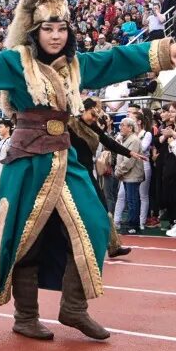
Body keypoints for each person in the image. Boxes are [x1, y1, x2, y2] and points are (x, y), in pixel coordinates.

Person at [0, 0, 176, 341]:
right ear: (34, 31)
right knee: (28, 236)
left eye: (61, 28)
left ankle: (73, 308)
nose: (56, 35)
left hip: (64, 156)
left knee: (94, 222)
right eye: (48, 29)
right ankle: (25, 316)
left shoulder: (77, 64)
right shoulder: (17, 61)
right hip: (27, 159)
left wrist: (164, 51)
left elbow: (114, 60)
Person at [67, 100, 134, 257]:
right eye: (92, 114)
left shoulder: (92, 126)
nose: (94, 118)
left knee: (103, 207)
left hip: (87, 173)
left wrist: (129, 153)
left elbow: (108, 141)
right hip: (70, 173)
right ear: (83, 110)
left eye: (96, 115)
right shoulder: (69, 124)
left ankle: (113, 245)